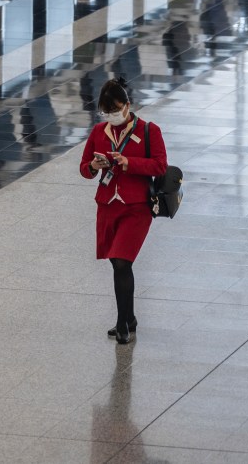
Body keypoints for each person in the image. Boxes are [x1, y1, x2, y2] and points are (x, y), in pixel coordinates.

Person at [80, 79, 167, 344]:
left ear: (127, 105)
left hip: (137, 206)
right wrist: (95, 166)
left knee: (121, 261)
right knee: (115, 261)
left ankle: (122, 324)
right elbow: (84, 168)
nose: (111, 117)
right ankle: (129, 318)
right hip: (108, 204)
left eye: (115, 110)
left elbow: (160, 166)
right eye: (106, 112)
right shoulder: (98, 131)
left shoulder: (149, 131)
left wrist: (129, 163)